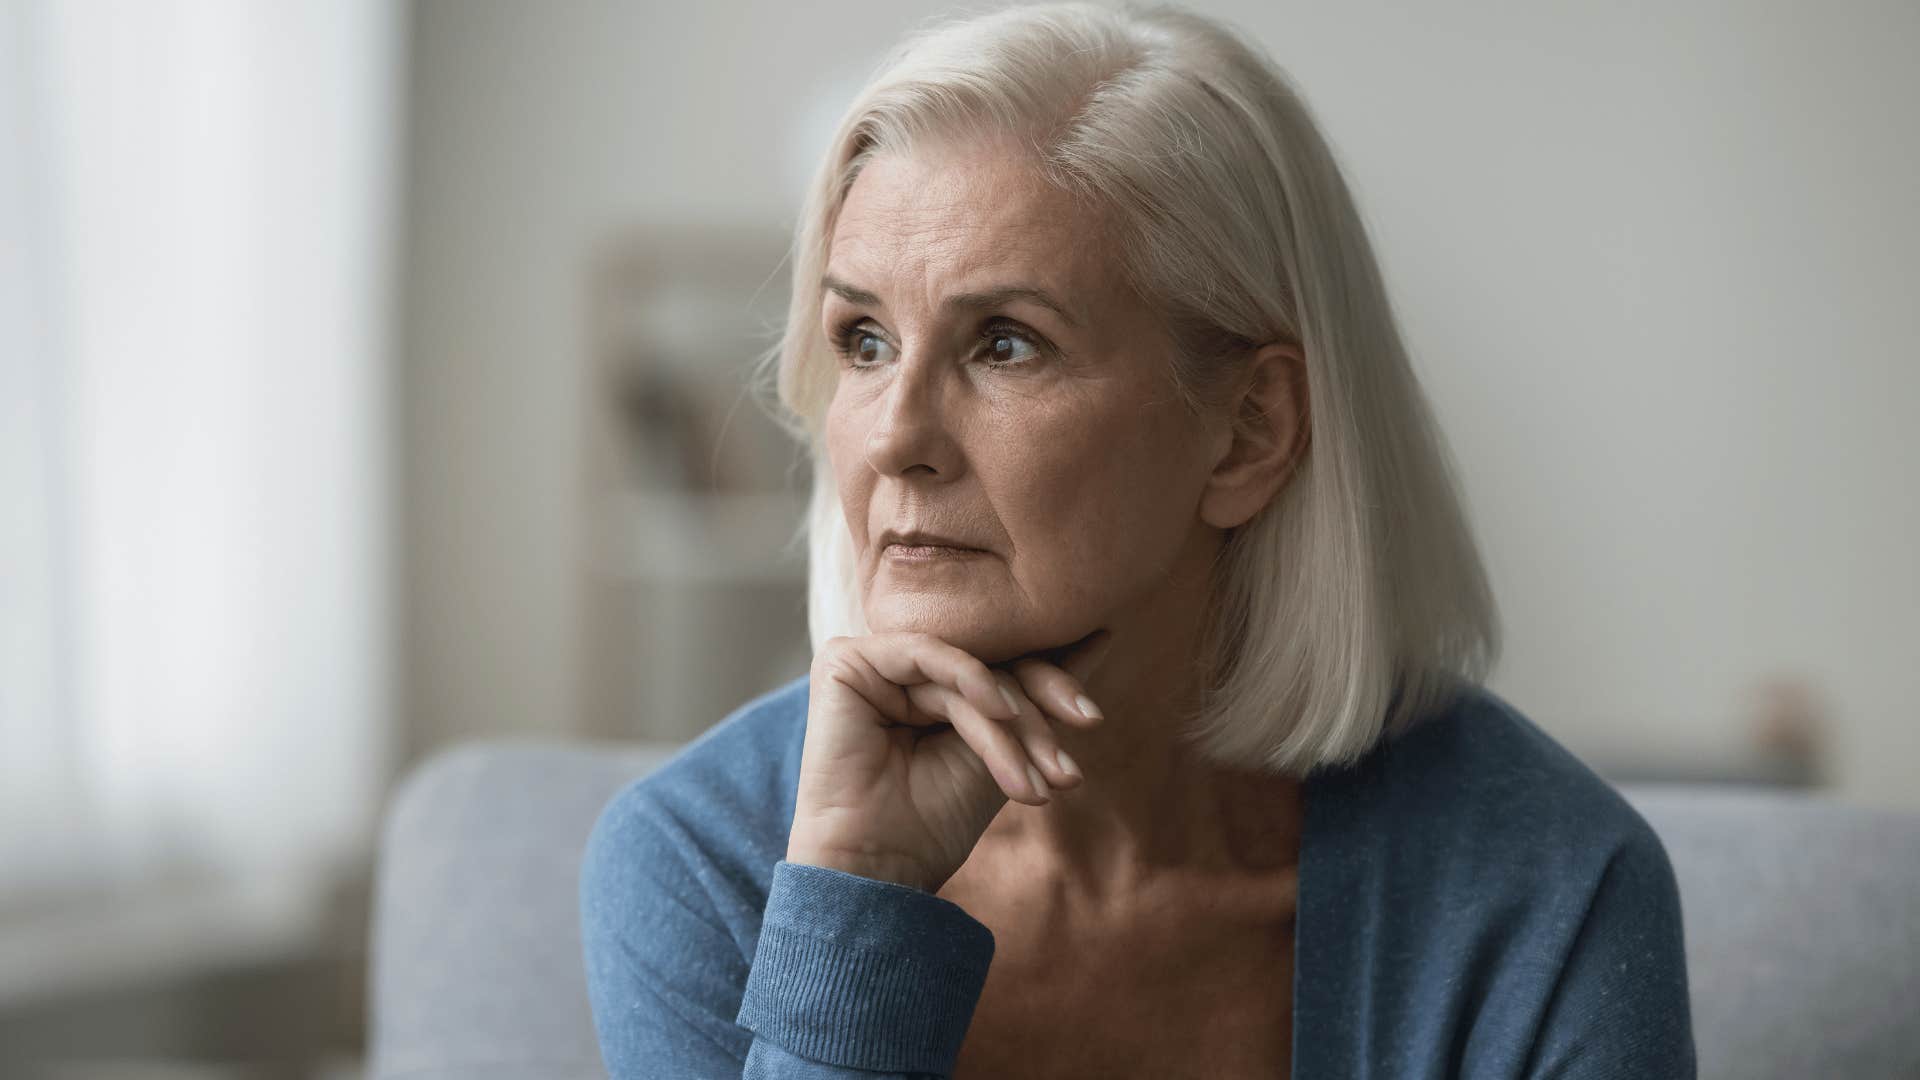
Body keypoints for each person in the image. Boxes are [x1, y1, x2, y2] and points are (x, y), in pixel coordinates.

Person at [580, 3, 1696, 1077]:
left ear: (1249, 432)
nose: (896, 439)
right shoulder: (700, 864)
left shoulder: (1548, 893)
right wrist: (857, 900)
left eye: (1006, 344)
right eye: (864, 339)